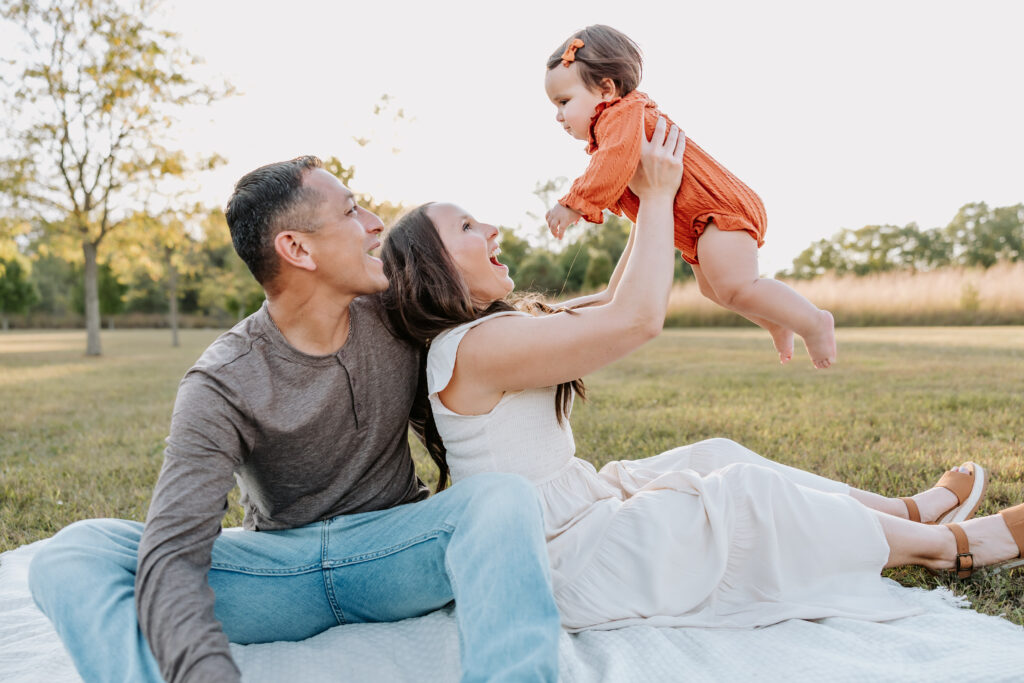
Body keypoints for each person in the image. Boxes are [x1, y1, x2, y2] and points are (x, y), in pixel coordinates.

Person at [380, 117, 1024, 632]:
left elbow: (611, 301)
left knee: (713, 453)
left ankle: (907, 512)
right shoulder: (475, 347)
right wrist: (660, 196)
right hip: (559, 561)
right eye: (467, 227)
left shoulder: (488, 335)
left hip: (575, 509)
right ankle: (951, 547)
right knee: (742, 496)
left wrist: (646, 197)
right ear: (437, 269)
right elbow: (636, 320)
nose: (491, 226)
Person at [28, 156, 561, 683]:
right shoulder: (222, 380)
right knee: (74, 552)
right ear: (298, 248)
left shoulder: (394, 310)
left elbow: (523, 320)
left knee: (501, 496)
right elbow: (175, 550)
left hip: (396, 556)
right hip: (275, 575)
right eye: (352, 210)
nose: (377, 224)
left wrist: (639, 229)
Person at [542, 24, 836, 368]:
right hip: (698, 222)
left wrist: (572, 203)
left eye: (564, 102)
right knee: (714, 290)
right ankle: (777, 320)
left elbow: (612, 163)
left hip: (717, 208)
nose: (558, 115)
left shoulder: (621, 115)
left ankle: (815, 322)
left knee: (736, 286)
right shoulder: (616, 122)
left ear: (607, 88)